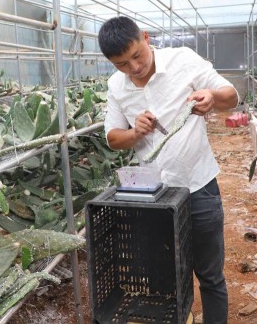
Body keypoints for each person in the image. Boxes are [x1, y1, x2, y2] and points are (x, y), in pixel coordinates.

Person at [98, 16, 237, 324]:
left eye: (137, 56)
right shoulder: (116, 87)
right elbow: (112, 138)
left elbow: (231, 95)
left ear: (146, 37)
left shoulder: (182, 60)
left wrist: (212, 98)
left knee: (210, 275)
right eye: (121, 64)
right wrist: (135, 133)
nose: (133, 67)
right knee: (164, 276)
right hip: (153, 198)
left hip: (198, 187)